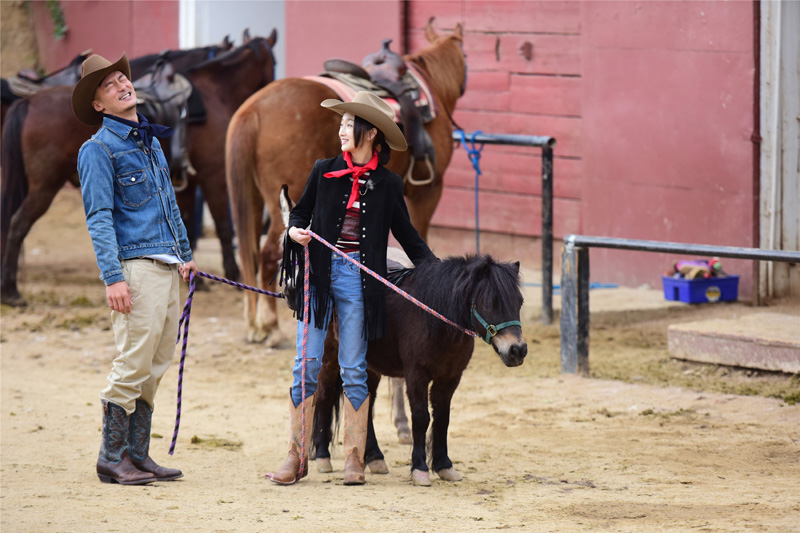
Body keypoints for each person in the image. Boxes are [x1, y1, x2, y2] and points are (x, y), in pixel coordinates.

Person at [268, 91, 436, 486]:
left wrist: (440, 276)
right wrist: (295, 231)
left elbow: (410, 239)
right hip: (319, 279)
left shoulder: (390, 185)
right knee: (306, 365)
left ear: (371, 133)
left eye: (349, 124)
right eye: (341, 123)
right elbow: (300, 214)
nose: (341, 130)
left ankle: (354, 459)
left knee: (354, 368)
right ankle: (297, 455)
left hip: (361, 282)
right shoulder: (323, 170)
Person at [72, 53, 198, 485]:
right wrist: (113, 277)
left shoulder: (151, 143)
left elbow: (169, 204)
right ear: (99, 105)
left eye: (123, 78)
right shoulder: (97, 149)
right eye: (110, 85)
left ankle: (138, 455)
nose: (123, 84)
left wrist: (185, 253)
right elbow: (99, 217)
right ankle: (111, 458)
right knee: (132, 364)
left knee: (156, 365)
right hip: (136, 268)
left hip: (168, 268)